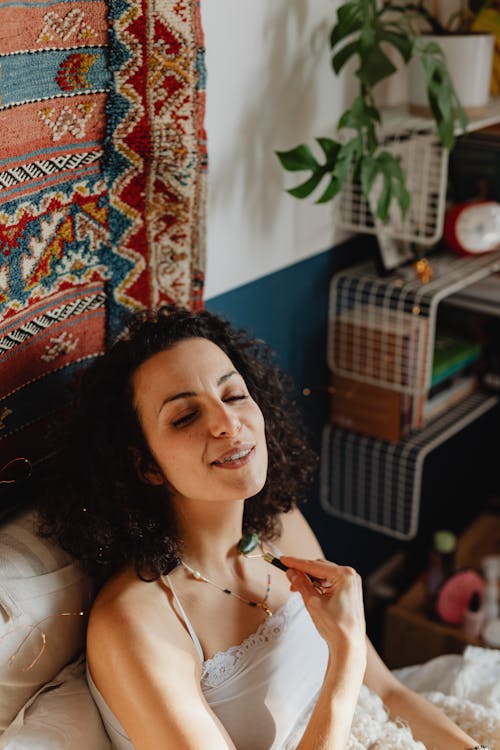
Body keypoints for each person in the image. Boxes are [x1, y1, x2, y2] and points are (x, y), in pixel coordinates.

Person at [40, 305, 486, 750]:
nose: (228, 422)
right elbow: (355, 675)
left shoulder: (280, 525)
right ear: (145, 466)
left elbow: (388, 693)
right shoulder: (138, 622)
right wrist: (345, 655)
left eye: (233, 395)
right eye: (185, 417)